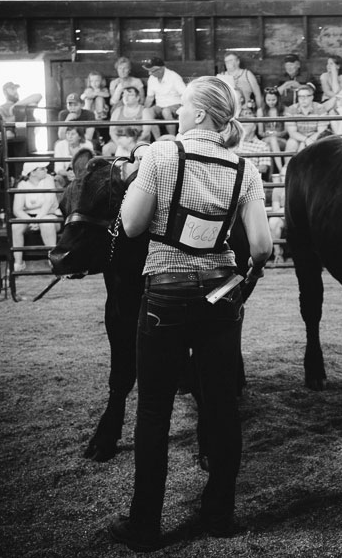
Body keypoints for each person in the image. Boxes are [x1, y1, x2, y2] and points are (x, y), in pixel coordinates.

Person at [108, 75, 271, 551]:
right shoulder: (246, 169)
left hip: (166, 290)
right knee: (221, 405)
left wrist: (135, 178)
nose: (175, 111)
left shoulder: (160, 154)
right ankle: (219, 513)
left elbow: (134, 225)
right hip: (220, 291)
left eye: (182, 105)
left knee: (155, 408)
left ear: (199, 113)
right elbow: (261, 247)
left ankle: (145, 525)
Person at [10, 161, 60, 272]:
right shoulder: (22, 185)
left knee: (46, 222)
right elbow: (17, 209)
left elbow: (49, 202)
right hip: (29, 217)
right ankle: (18, 263)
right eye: (42, 169)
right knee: (16, 226)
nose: (46, 170)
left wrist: (37, 220)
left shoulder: (48, 179)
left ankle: (53, 261)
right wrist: (32, 220)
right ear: (32, 173)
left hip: (50, 214)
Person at [142, 57, 186, 139]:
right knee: (146, 111)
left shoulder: (174, 77)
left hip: (175, 105)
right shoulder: (152, 79)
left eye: (152, 71)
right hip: (159, 106)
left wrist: (184, 109)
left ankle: (172, 138)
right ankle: (156, 139)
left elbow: (185, 94)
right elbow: (149, 98)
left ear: (160, 69)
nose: (149, 73)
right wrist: (143, 109)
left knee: (166, 111)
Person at [284, 84, 329, 153]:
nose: (303, 99)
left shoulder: (320, 108)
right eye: (300, 96)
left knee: (320, 143)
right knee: (291, 143)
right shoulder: (291, 109)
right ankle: (288, 164)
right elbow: (292, 133)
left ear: (312, 97)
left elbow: (321, 131)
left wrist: (308, 141)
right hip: (298, 138)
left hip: (315, 137)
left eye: (306, 96)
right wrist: (305, 140)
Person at [256, 86, 287, 173]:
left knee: (272, 144)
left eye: (274, 100)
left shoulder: (284, 109)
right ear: (264, 100)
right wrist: (269, 134)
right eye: (268, 100)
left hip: (280, 139)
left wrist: (278, 134)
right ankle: (280, 172)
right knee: (270, 144)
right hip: (266, 139)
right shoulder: (261, 111)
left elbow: (286, 131)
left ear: (278, 99)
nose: (271, 102)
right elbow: (260, 132)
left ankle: (275, 175)